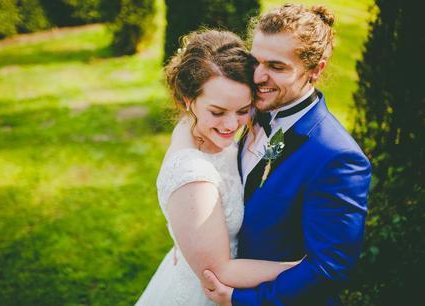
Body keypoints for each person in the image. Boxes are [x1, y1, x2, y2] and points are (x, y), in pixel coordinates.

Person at [202, 4, 372, 306]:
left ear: (315, 69)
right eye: (255, 61)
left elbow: (327, 269)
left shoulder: (338, 158)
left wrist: (240, 300)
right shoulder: (246, 112)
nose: (257, 76)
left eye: (277, 67)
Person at [135, 29, 301, 306]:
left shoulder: (192, 128)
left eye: (242, 110)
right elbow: (219, 271)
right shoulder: (193, 177)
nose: (230, 125)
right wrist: (303, 269)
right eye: (217, 112)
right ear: (189, 100)